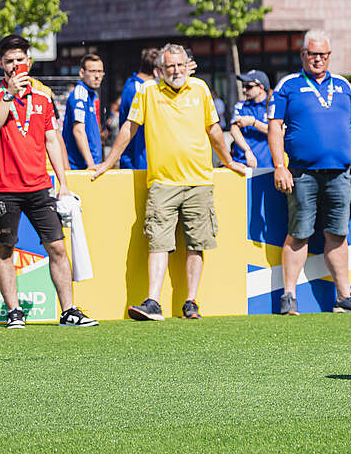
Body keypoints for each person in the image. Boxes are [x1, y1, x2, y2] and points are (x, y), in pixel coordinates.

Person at [92, 43, 247, 321]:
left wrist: (228, 160)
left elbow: (213, 129)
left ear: (188, 65)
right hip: (162, 183)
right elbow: (129, 128)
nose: (175, 71)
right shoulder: (148, 91)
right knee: (158, 243)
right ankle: (153, 301)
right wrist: (107, 161)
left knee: (196, 244)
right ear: (160, 70)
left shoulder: (199, 89)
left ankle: (191, 302)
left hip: (199, 180)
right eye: (170, 66)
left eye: (180, 65)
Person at [0, 34, 95, 328]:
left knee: (57, 247)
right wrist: (8, 95)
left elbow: (52, 140)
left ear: (28, 62)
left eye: (20, 60)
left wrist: (63, 183)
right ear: (0, 64)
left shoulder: (43, 98)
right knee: (5, 249)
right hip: (4, 188)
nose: (15, 65)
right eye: (9, 61)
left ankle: (68, 310)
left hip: (40, 186)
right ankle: (14, 311)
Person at [269, 31, 351, 315]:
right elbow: (275, 127)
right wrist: (280, 165)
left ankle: (344, 297)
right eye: (313, 54)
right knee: (299, 234)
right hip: (302, 174)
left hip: (340, 174)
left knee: (338, 234)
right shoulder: (288, 85)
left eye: (323, 55)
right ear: (303, 54)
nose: (318, 59)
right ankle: (288, 297)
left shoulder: (342, 85)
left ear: (330, 56)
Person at [118, 47, 159, 170]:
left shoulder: (133, 84)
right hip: (137, 160)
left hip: (139, 158)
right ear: (157, 71)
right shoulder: (138, 88)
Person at [63, 54, 105, 170]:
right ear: (82, 73)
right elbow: (78, 131)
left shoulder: (91, 95)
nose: (97, 76)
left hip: (90, 165)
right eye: (92, 71)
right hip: (81, 168)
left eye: (100, 71)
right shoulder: (80, 95)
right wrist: (90, 163)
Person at [230, 70, 273, 170]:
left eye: (249, 87)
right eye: (243, 86)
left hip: (266, 165)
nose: (244, 90)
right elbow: (234, 129)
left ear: (261, 88)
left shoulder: (273, 106)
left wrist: (253, 123)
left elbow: (279, 132)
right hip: (241, 164)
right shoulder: (241, 106)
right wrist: (247, 151)